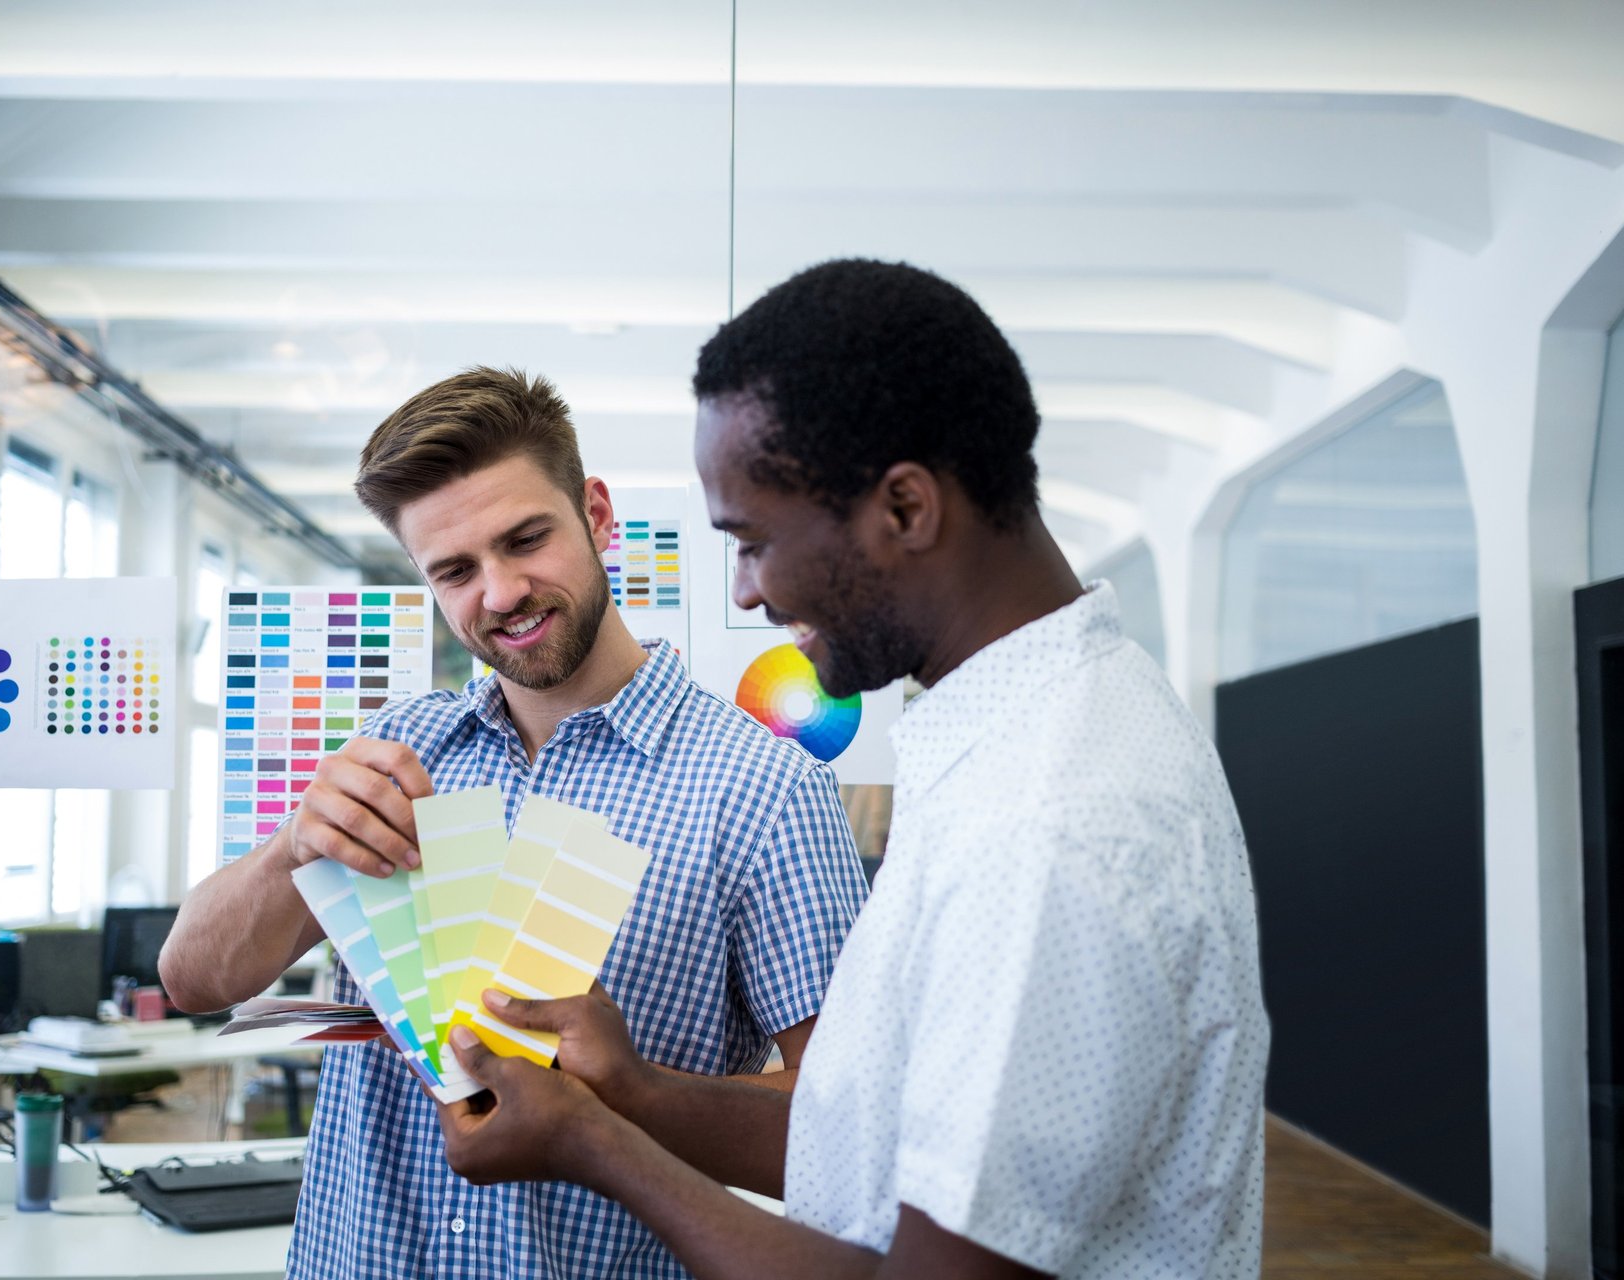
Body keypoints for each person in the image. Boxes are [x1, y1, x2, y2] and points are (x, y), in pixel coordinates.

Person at [433, 261, 1271, 1278]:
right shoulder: (1028, 735)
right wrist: (637, 1093)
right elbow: (885, 1159)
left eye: (753, 542)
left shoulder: (1049, 822)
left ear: (906, 508)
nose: (744, 594)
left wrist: (594, 1145)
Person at [158, 366, 868, 1278]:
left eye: (525, 539)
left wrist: (629, 1098)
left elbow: (843, 1125)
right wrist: (292, 845)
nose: (499, 593)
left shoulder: (763, 791)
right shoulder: (393, 753)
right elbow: (194, 978)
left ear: (598, 516)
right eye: (454, 570)